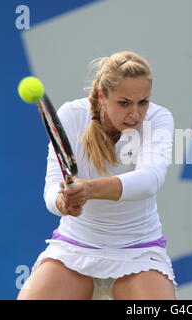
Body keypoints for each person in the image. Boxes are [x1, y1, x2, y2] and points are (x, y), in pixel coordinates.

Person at [17, 51, 177, 300]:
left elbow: (150, 180)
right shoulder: (71, 115)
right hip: (75, 247)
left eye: (143, 102)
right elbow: (51, 188)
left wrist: (89, 189)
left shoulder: (159, 118)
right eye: (124, 103)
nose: (135, 113)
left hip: (139, 251)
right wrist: (62, 202)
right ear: (103, 96)